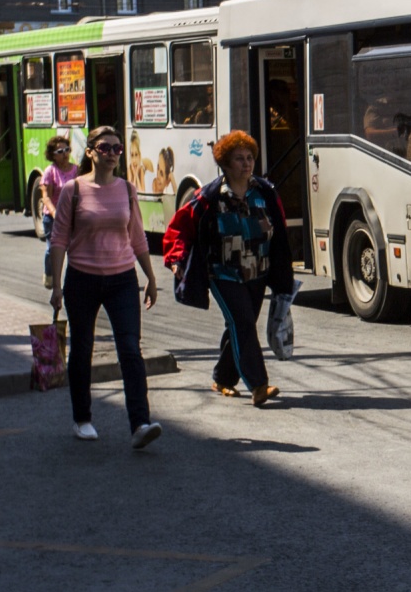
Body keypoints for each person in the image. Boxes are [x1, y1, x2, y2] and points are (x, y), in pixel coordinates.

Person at [49, 124, 162, 448]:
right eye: (105, 148)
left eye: (117, 148)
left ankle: (140, 423)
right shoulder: (74, 190)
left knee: (130, 349)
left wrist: (151, 279)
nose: (113, 153)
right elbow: (58, 239)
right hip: (81, 279)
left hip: (123, 279)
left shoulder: (127, 189)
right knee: (82, 349)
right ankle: (82, 419)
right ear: (90, 152)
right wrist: (56, 286)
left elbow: (137, 237)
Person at [167, 130, 293, 406]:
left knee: (239, 325)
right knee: (244, 322)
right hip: (222, 273)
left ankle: (222, 378)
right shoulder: (209, 197)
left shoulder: (265, 193)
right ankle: (258, 385)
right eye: (239, 159)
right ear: (225, 164)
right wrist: (176, 260)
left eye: (250, 158)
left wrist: (283, 273)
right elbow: (179, 229)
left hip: (257, 272)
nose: (246, 164)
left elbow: (280, 232)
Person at [36, 134, 75, 287]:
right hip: (53, 218)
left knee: (75, 249)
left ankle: (74, 279)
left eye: (67, 150)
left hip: (72, 217)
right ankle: (50, 275)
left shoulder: (76, 170)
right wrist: (55, 214)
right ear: (52, 155)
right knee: (52, 249)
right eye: (60, 152)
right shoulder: (50, 172)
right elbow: (46, 197)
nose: (64, 154)